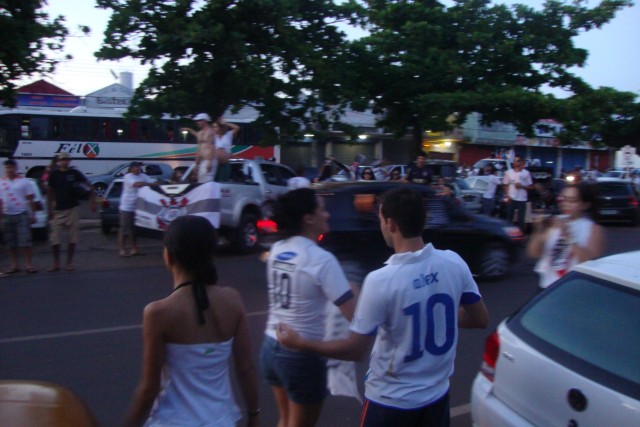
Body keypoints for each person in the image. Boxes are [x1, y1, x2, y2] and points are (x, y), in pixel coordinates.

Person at [277, 187, 489, 427]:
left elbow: (355, 350)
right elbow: (480, 318)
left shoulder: (381, 280)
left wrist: (301, 343)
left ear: (390, 224)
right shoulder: (454, 262)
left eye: (380, 219)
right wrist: (442, 316)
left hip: (390, 403)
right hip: (437, 397)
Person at [123, 215, 260, 427]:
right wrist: (254, 414)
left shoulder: (158, 313)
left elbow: (149, 389)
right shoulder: (232, 300)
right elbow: (245, 369)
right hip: (222, 421)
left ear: (168, 256)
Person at [260, 188, 357, 427]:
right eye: (322, 209)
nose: (327, 215)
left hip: (271, 345)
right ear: (308, 218)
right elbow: (353, 315)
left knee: (285, 420)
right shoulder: (321, 259)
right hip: (300, 355)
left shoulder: (277, 250)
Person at [526, 182, 605, 290]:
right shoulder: (555, 221)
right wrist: (538, 230)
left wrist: (567, 235)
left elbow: (589, 263)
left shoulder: (593, 229)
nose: (566, 204)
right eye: (563, 199)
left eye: (572, 201)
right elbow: (534, 253)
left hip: (572, 289)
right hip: (546, 287)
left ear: (585, 205)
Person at [47, 152, 96, 272]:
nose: (64, 161)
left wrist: (92, 201)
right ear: (59, 161)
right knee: (55, 238)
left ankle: (69, 262)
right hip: (58, 209)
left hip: (72, 208)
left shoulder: (74, 173)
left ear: (69, 161)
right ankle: (56, 262)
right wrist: (49, 208)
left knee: (72, 238)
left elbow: (90, 185)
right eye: (62, 159)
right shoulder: (54, 174)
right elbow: (50, 191)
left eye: (66, 159)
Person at [0, 159, 38, 274]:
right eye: (7, 168)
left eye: (11, 167)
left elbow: (31, 198)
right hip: (7, 215)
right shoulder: (1, 182)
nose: (9, 170)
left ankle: (28, 264)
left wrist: (33, 214)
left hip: (21, 214)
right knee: (10, 242)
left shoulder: (24, 181)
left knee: (25, 240)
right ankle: (14, 265)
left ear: (15, 168)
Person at [118, 162, 157, 257]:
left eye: (139, 167)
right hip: (127, 206)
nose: (138, 168)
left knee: (134, 229)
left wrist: (155, 183)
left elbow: (154, 182)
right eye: (136, 167)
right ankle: (122, 249)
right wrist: (148, 184)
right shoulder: (128, 176)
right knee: (124, 228)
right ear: (131, 168)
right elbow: (136, 184)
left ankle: (134, 249)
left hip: (138, 206)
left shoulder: (143, 175)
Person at [180, 113, 218, 183]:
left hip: (209, 160)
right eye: (197, 121)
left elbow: (212, 146)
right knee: (200, 181)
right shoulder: (200, 133)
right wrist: (196, 164)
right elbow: (199, 148)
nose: (197, 122)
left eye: (199, 120)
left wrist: (209, 161)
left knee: (207, 181)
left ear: (205, 121)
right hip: (202, 160)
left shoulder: (211, 132)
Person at [502, 155, 532, 232]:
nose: (515, 162)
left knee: (521, 220)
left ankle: (520, 237)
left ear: (521, 162)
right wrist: (508, 196)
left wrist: (522, 186)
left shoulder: (526, 173)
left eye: (518, 161)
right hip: (511, 198)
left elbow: (531, 187)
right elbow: (505, 185)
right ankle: (508, 235)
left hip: (522, 199)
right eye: (514, 161)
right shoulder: (508, 172)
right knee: (509, 218)